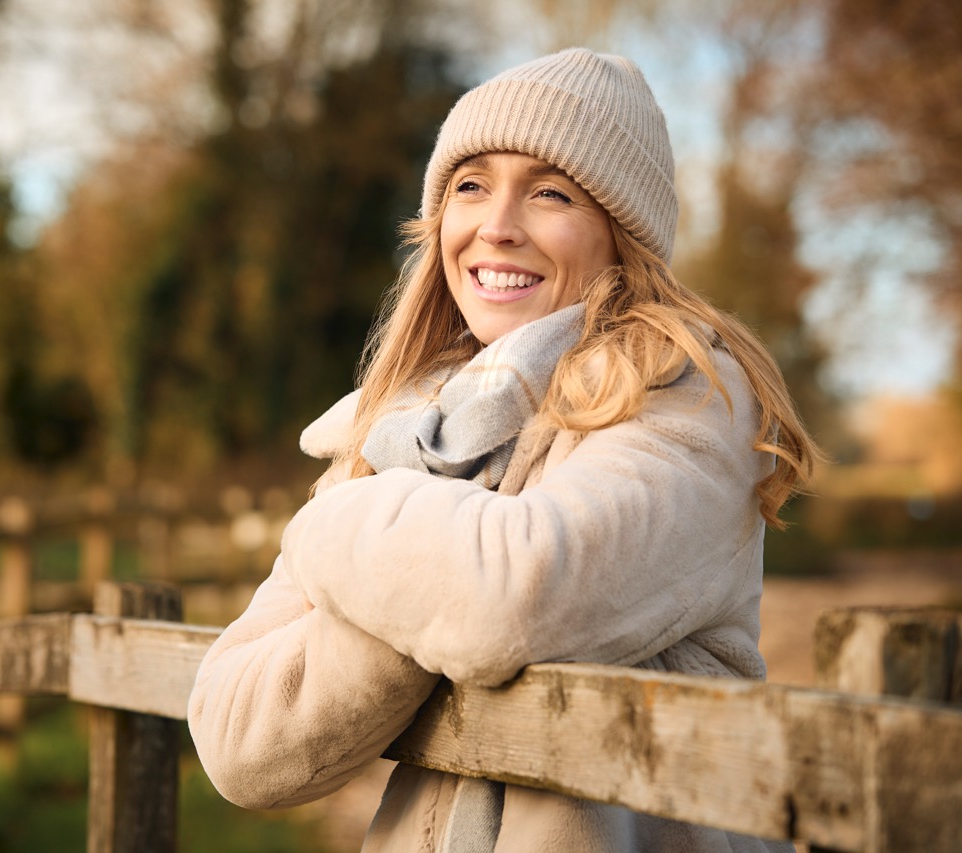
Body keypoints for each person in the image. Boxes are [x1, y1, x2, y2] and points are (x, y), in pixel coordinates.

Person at [187, 47, 817, 852]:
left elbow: (512, 597)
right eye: (470, 185)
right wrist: (428, 593)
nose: (496, 225)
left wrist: (333, 528)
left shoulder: (690, 394)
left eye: (551, 191)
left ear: (622, 234)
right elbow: (240, 744)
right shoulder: (407, 425)